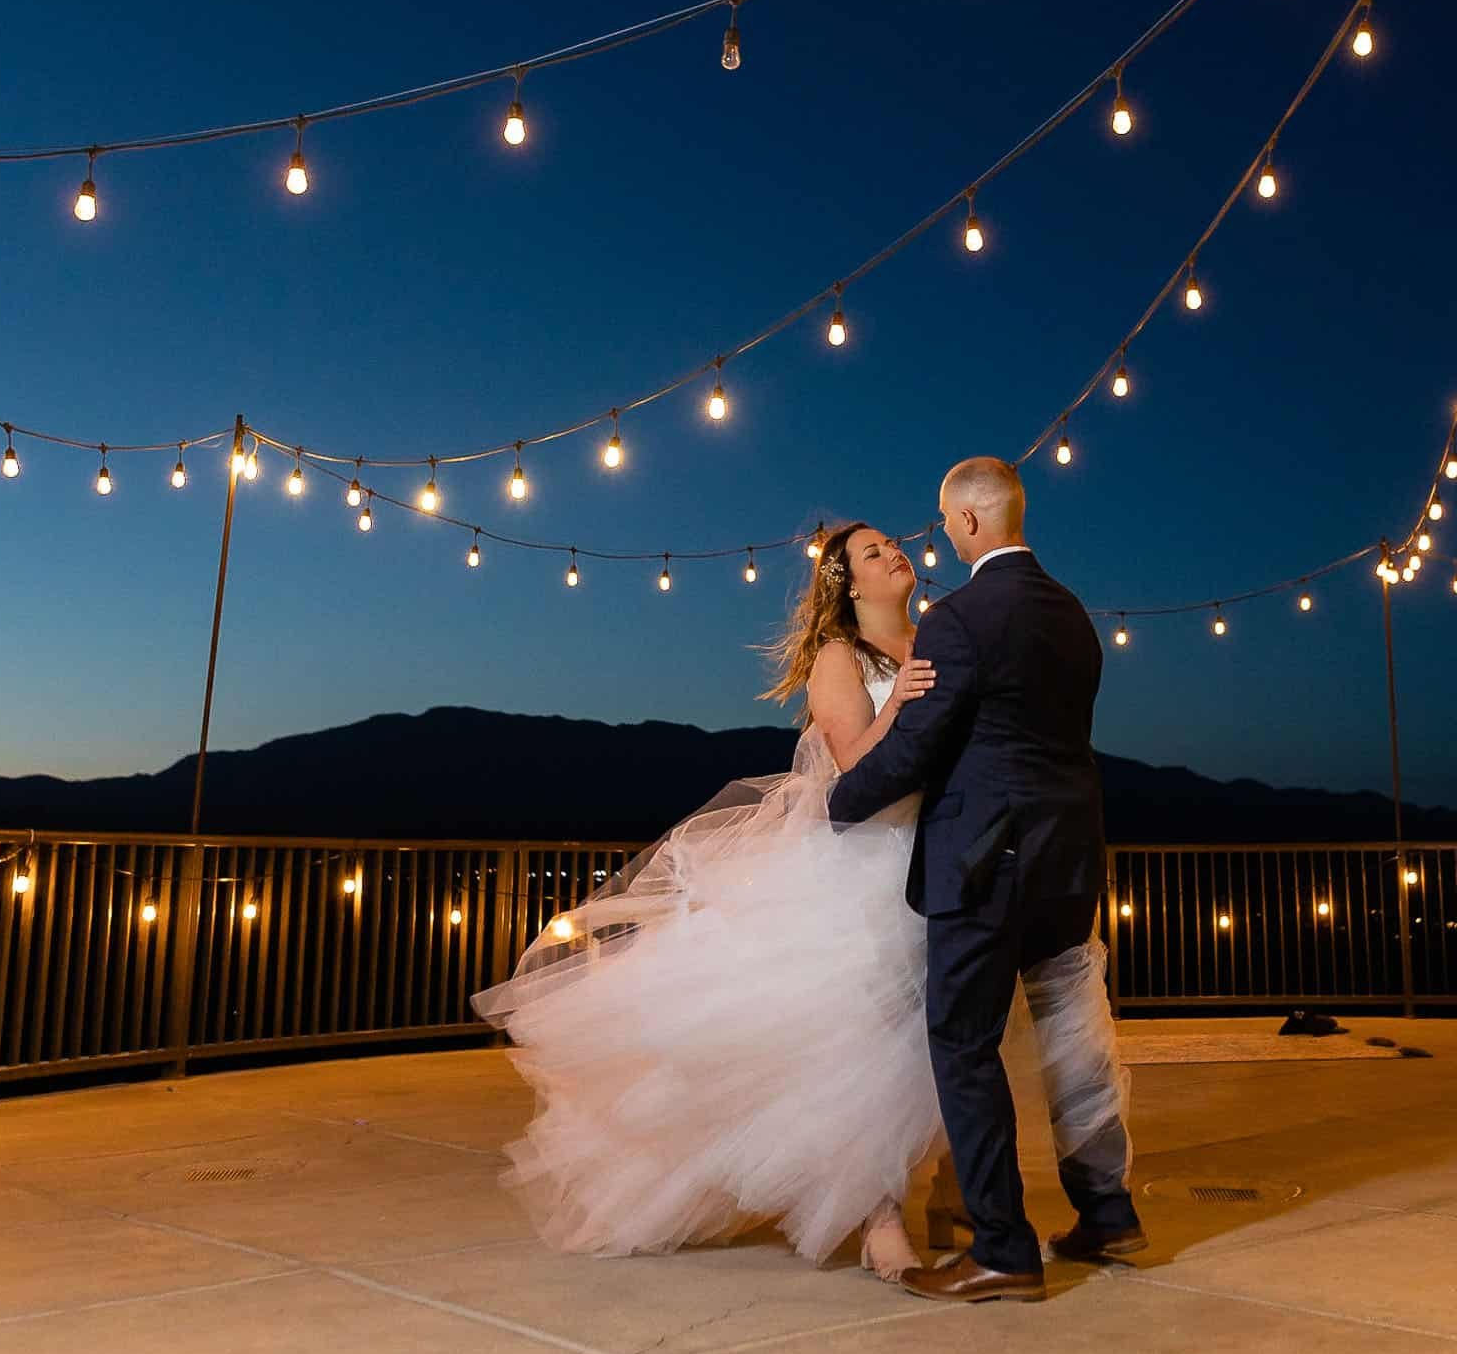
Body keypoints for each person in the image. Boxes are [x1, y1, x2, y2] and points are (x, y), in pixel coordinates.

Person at [471, 522, 1125, 1283]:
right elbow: (855, 767)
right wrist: (902, 705)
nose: (896, 555)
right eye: (875, 553)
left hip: (947, 856)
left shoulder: (942, 635)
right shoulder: (839, 659)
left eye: (893, 546)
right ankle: (880, 1222)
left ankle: (962, 1200)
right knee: (868, 1044)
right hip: (866, 865)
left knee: (947, 1039)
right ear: (848, 585)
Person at [829, 457, 1143, 1304]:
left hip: (985, 860)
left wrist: (841, 799)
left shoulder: (960, 618)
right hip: (1069, 857)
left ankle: (1002, 1247)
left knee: (962, 1043)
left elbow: (916, 745)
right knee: (1071, 1036)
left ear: (968, 523)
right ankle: (1107, 1210)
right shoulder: (1074, 616)